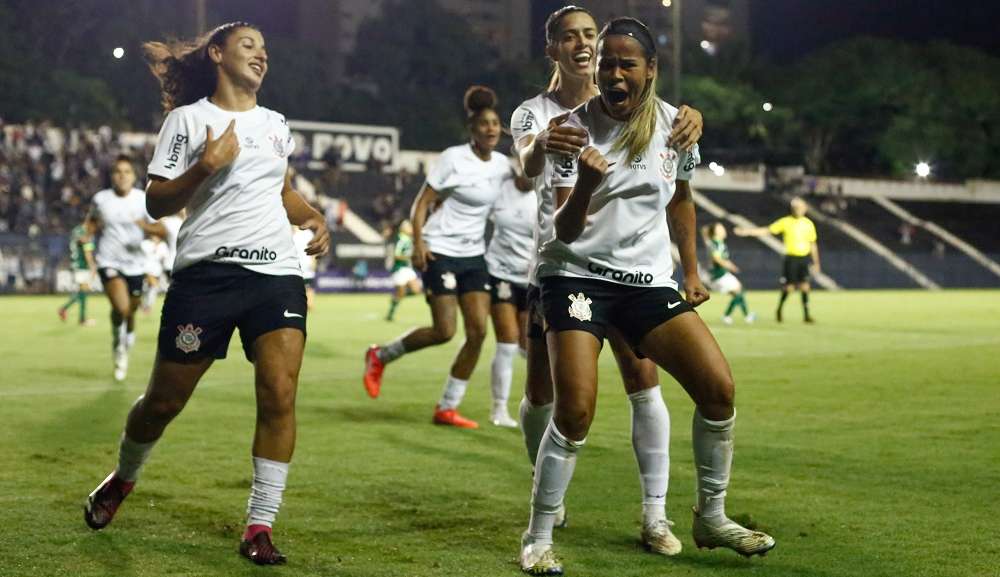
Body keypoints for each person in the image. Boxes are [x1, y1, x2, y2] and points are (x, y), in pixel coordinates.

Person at [518, 17, 775, 575]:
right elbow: (563, 230)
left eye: (625, 63)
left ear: (650, 70)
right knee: (576, 408)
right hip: (576, 275)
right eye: (606, 63)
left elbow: (680, 199)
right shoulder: (569, 128)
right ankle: (538, 537)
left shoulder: (677, 127)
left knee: (718, 389)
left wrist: (691, 269)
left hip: (646, 282)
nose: (612, 72)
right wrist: (586, 182)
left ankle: (710, 516)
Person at [82, 22, 330, 566]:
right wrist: (206, 166)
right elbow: (156, 203)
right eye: (248, 46)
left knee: (279, 393)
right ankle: (123, 478)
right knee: (163, 404)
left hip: (276, 275)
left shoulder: (275, 125)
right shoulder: (188, 121)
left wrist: (310, 215)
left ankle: (259, 527)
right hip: (206, 278)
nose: (261, 56)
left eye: (265, 49)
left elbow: (279, 189)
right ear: (217, 54)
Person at [511, 5, 704, 566]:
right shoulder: (539, 113)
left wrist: (690, 118)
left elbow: (677, 175)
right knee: (547, 395)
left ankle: (655, 514)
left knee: (644, 384)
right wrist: (543, 141)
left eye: (589, 35)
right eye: (569, 37)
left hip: (633, 276)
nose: (582, 45)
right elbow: (525, 165)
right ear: (552, 49)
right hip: (560, 266)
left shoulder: (639, 107)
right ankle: (545, 494)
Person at [362, 86, 508, 429]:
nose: (490, 129)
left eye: (496, 123)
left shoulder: (504, 165)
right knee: (445, 330)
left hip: (474, 255)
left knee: (477, 333)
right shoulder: (453, 158)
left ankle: (447, 407)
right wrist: (418, 243)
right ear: (471, 129)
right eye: (483, 124)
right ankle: (381, 355)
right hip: (439, 249)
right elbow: (422, 203)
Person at [88, 154, 166, 381]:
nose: (122, 176)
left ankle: (124, 337)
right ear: (112, 176)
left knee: (130, 311)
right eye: (117, 172)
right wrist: (86, 235)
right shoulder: (101, 199)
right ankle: (118, 345)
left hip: (136, 264)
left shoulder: (142, 199)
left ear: (134, 176)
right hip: (109, 261)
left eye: (126, 172)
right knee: (122, 308)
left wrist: (146, 228)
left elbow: (161, 230)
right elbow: (91, 223)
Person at [484, 160, 536, 427]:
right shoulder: (500, 189)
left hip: (529, 279)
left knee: (529, 347)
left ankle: (535, 404)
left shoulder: (545, 192)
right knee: (507, 341)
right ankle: (499, 409)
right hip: (500, 273)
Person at [735, 196, 819, 323]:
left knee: (805, 287)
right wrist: (748, 232)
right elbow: (767, 230)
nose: (797, 209)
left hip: (804, 258)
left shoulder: (808, 224)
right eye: (795, 207)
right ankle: (779, 309)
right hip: (791, 258)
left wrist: (816, 262)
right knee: (789, 288)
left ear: (805, 208)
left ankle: (806, 315)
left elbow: (813, 244)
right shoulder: (785, 222)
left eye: (800, 207)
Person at [701, 222, 755, 324]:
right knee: (739, 291)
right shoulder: (716, 243)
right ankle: (731, 316)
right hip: (719, 274)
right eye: (720, 228)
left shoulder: (718, 243)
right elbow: (716, 258)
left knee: (738, 292)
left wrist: (731, 265)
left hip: (720, 274)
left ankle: (746, 316)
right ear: (716, 232)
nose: (723, 230)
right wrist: (729, 266)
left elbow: (720, 257)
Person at [58, 219, 98, 326]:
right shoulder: (84, 233)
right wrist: (92, 266)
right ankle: (81, 319)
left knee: (82, 292)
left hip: (76, 264)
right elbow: (86, 249)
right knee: (83, 292)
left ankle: (65, 309)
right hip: (81, 265)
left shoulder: (77, 230)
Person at [385, 219, 421, 321]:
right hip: (399, 269)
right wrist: (410, 257)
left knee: (416, 290)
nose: (410, 228)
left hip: (408, 269)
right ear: (403, 229)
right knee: (400, 293)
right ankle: (390, 314)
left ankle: (395, 298)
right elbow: (397, 255)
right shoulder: (400, 239)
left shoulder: (409, 239)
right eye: (408, 226)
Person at [292, 224, 318, 309]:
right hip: (294, 266)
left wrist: (314, 261)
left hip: (306, 265)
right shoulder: (290, 233)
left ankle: (309, 305)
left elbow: (313, 248)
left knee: (308, 287)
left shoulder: (308, 233)